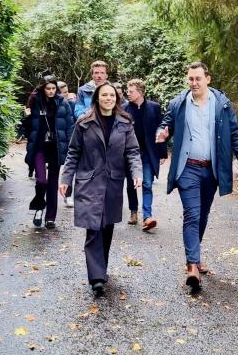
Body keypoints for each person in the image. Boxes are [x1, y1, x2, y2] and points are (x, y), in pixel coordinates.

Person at [156, 62, 238, 291]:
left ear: (208, 79)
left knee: (202, 215)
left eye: (198, 78)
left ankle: (195, 256)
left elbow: (236, 134)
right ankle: (192, 266)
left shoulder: (222, 105)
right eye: (190, 79)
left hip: (211, 169)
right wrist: (162, 132)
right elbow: (165, 123)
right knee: (192, 213)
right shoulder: (178, 103)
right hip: (187, 168)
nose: (194, 83)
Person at [60, 83, 143, 297]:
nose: (108, 98)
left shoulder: (125, 123)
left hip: (113, 182)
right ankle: (96, 277)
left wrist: (136, 173)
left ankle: (101, 268)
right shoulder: (84, 122)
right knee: (93, 228)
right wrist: (66, 178)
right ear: (96, 98)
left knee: (106, 227)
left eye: (112, 95)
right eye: (104, 95)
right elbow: (73, 152)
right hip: (89, 181)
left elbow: (132, 152)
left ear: (117, 98)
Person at [24, 76, 75, 229]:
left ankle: (50, 217)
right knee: (41, 180)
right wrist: (26, 118)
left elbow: (70, 125)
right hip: (39, 145)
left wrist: (70, 145)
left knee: (53, 183)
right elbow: (28, 126)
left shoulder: (63, 103)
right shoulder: (35, 102)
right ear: (43, 89)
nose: (51, 91)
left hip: (56, 146)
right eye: (48, 88)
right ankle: (39, 208)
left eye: (53, 88)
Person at [123, 79, 167, 231]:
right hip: (130, 153)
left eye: (131, 91)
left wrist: (162, 153)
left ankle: (147, 216)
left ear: (140, 92)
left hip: (148, 152)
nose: (128, 93)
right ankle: (133, 211)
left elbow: (161, 131)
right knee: (131, 184)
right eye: (127, 91)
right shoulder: (123, 109)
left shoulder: (154, 108)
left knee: (147, 183)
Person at [57, 81, 76, 207]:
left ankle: (68, 195)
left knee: (69, 170)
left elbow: (72, 124)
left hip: (68, 141)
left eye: (67, 91)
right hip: (56, 142)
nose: (67, 94)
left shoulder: (71, 104)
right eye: (64, 93)